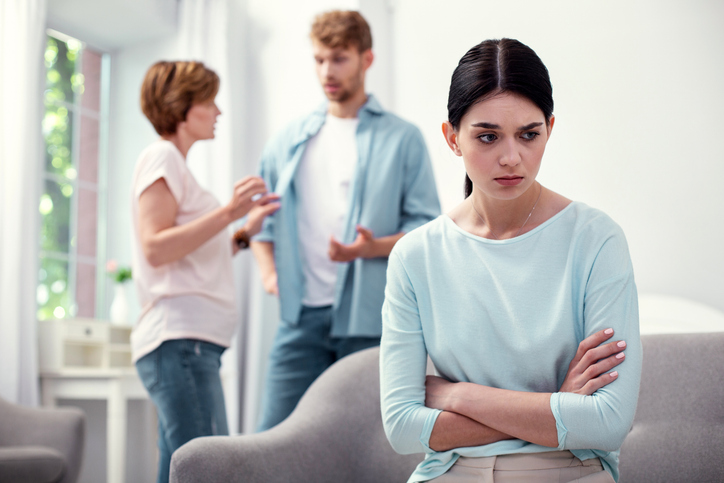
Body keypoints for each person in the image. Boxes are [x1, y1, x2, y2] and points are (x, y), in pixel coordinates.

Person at [380, 38, 642, 483]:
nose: (510, 157)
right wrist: (555, 406)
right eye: (487, 136)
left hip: (568, 469)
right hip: (452, 471)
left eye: (528, 134)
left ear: (549, 130)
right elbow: (402, 429)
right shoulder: (415, 255)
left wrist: (459, 395)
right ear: (452, 138)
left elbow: (607, 422)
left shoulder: (597, 240)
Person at [251, 10, 441, 431]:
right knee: (270, 446)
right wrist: (270, 277)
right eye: (319, 59)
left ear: (366, 59)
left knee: (368, 448)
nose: (326, 71)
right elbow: (261, 222)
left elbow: (427, 228)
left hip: (369, 322)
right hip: (299, 318)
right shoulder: (288, 139)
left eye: (338, 58)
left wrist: (369, 248)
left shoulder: (403, 138)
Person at [130, 60, 279, 483]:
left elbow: (189, 255)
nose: (218, 112)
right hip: (180, 343)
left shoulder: (176, 166)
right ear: (183, 106)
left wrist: (243, 235)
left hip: (189, 346)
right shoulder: (161, 156)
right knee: (210, 468)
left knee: (181, 466)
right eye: (209, 101)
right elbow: (156, 247)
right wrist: (229, 212)